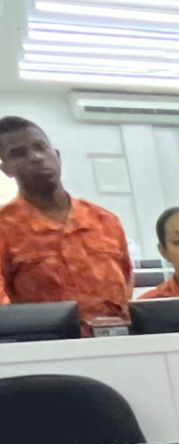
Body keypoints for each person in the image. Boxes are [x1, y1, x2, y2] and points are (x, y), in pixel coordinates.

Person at [0, 116, 131, 330]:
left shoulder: (105, 221)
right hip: (48, 345)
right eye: (19, 153)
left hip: (119, 342)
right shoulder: (5, 227)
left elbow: (126, 286)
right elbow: (4, 314)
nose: (36, 158)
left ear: (57, 155)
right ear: (6, 169)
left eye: (40, 147)